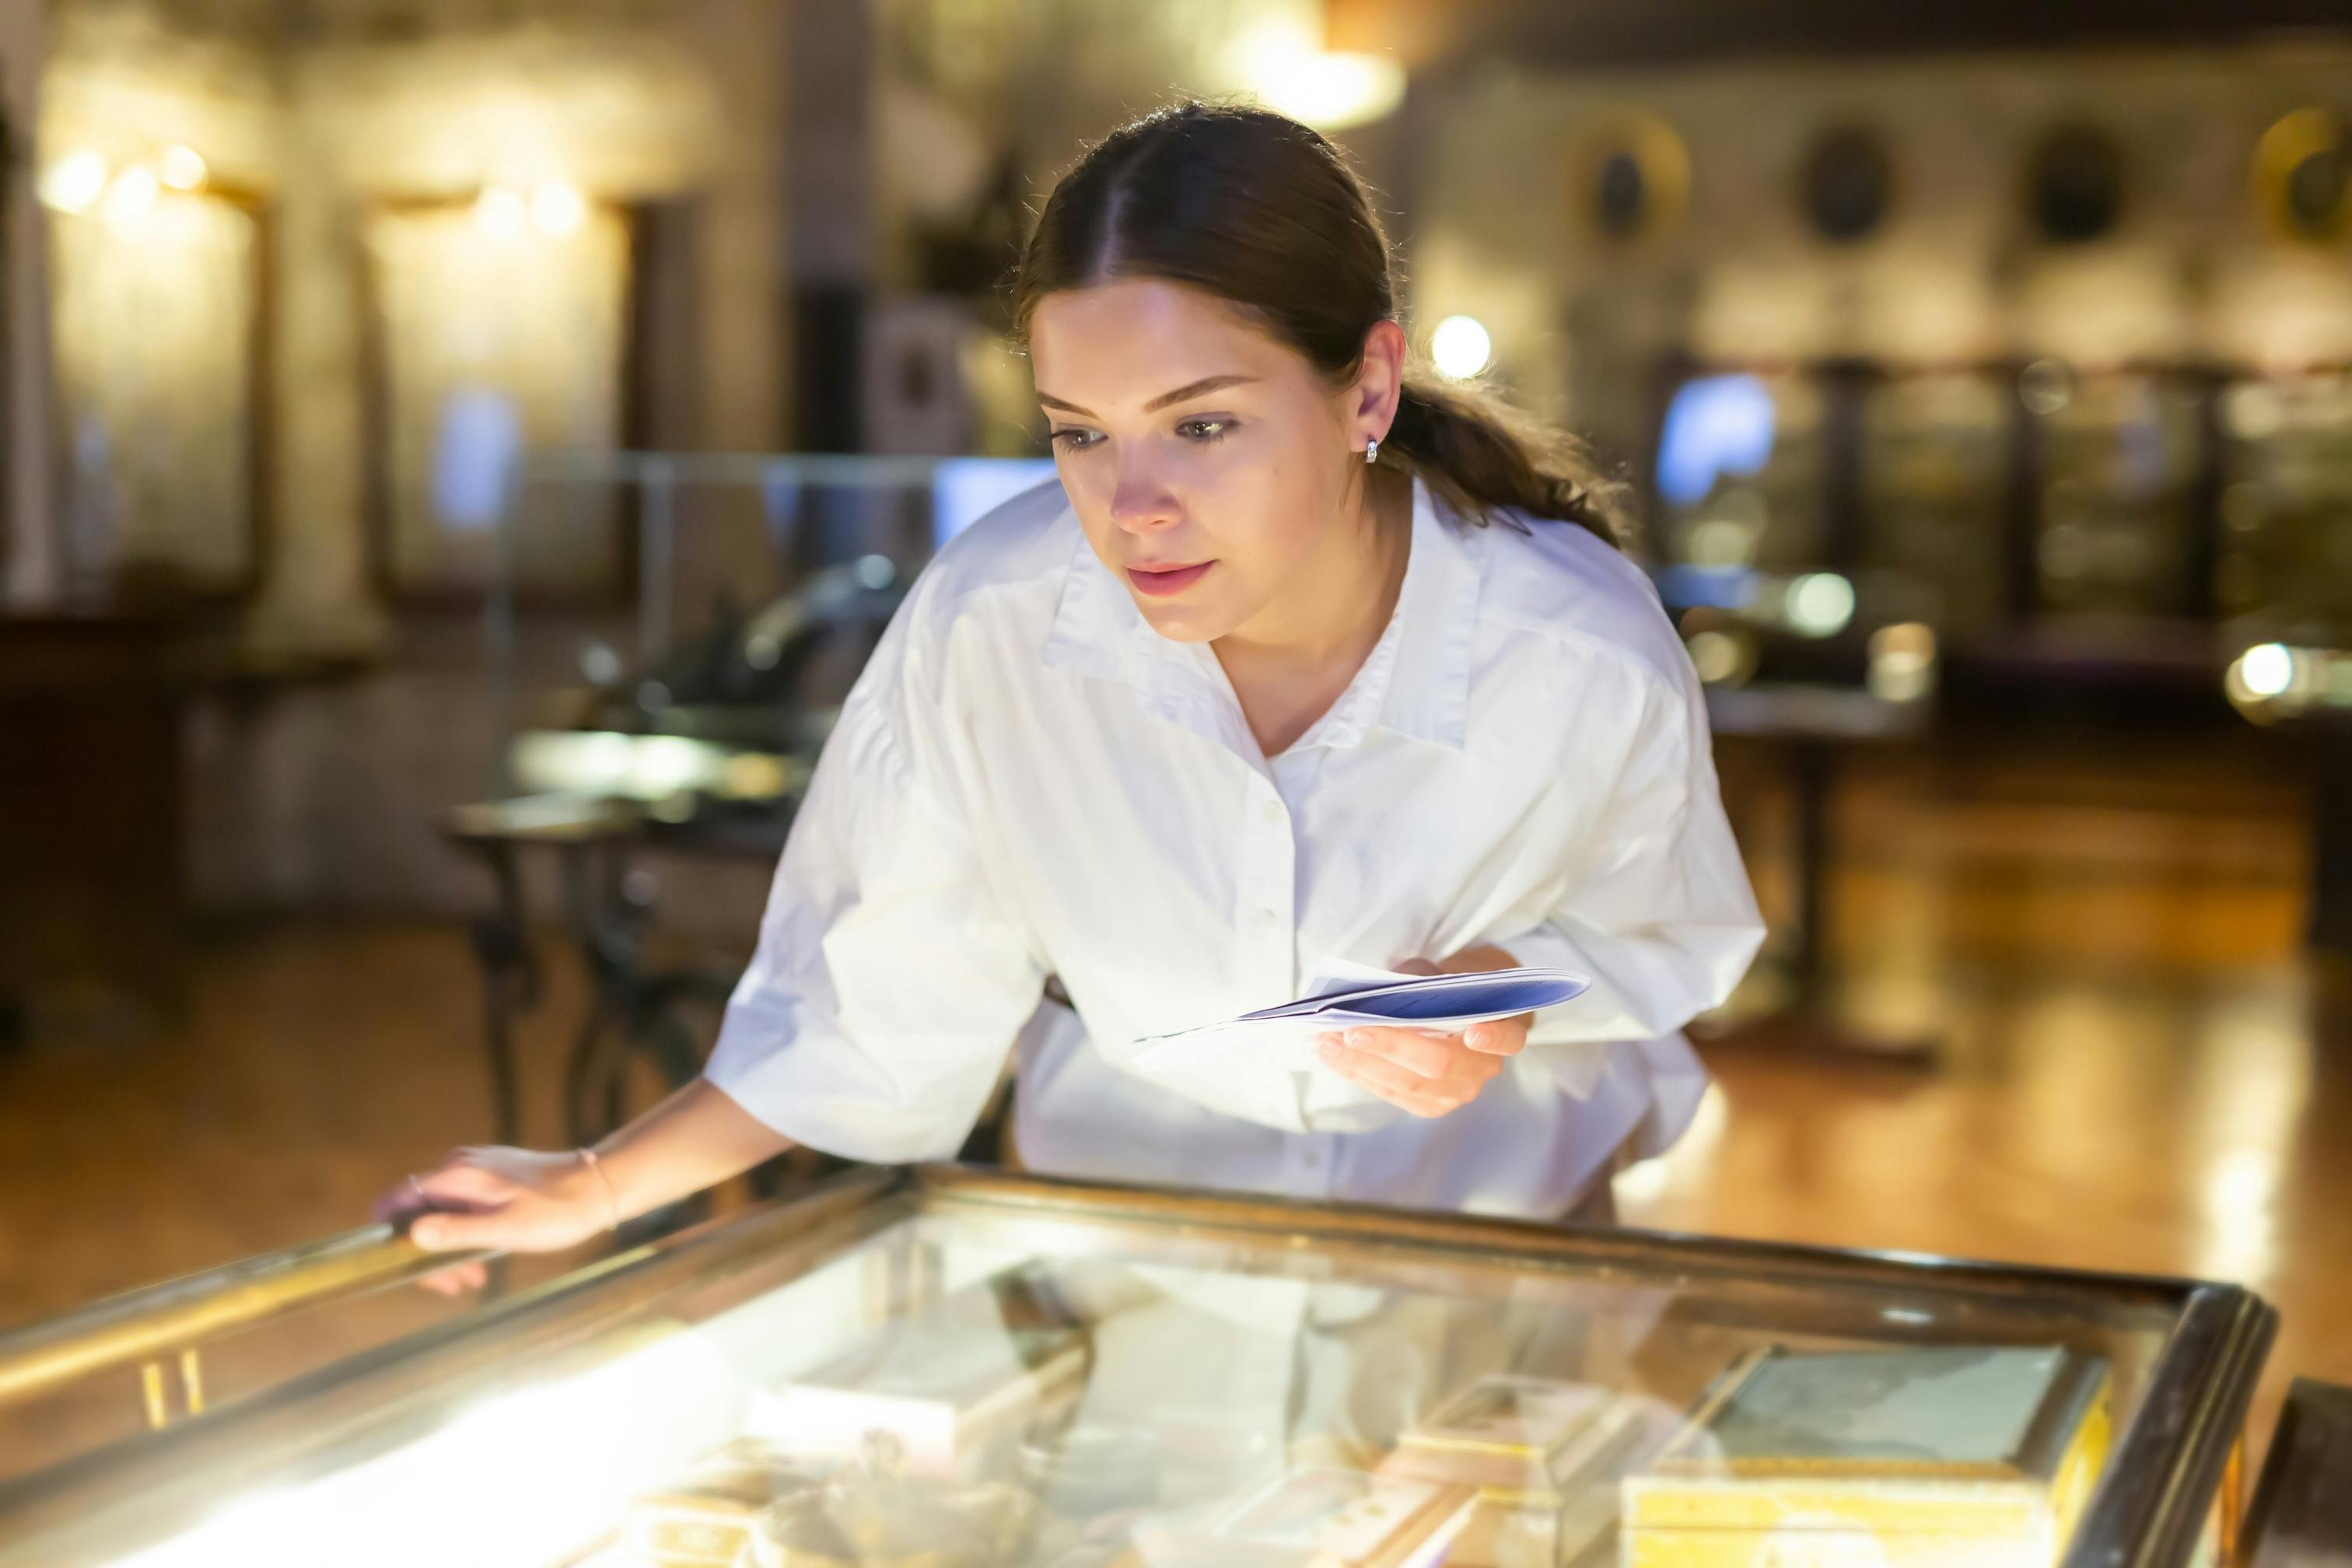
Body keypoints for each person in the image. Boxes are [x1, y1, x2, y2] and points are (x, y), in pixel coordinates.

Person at [376, 100, 1763, 1265]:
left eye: (1202, 424)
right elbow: (873, 997)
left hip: (1491, 1250)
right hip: (1129, 1246)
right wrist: (596, 1186)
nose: (1132, 507)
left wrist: (1512, 987)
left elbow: (1667, 938)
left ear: (1369, 388)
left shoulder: (1576, 654)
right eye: (1080, 435)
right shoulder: (996, 624)